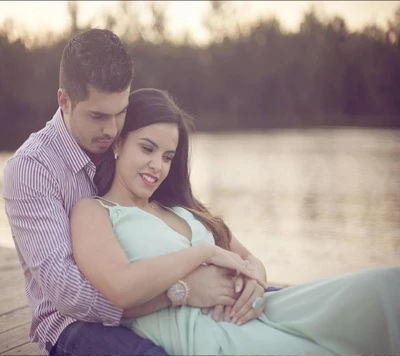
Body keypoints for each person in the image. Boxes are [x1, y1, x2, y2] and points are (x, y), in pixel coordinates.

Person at [70, 87, 400, 355]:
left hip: (259, 309)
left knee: (386, 288)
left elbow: (249, 259)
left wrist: (256, 283)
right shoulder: (94, 212)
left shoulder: (180, 208)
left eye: (168, 156)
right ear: (118, 143)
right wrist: (203, 254)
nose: (157, 165)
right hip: (211, 334)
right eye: (147, 149)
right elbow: (120, 290)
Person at [2, 29, 248, 356]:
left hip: (159, 302)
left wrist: (250, 273)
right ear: (64, 100)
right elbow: (68, 294)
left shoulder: (128, 141)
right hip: (75, 327)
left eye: (120, 112)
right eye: (98, 116)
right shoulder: (32, 170)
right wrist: (180, 291)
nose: (112, 129)